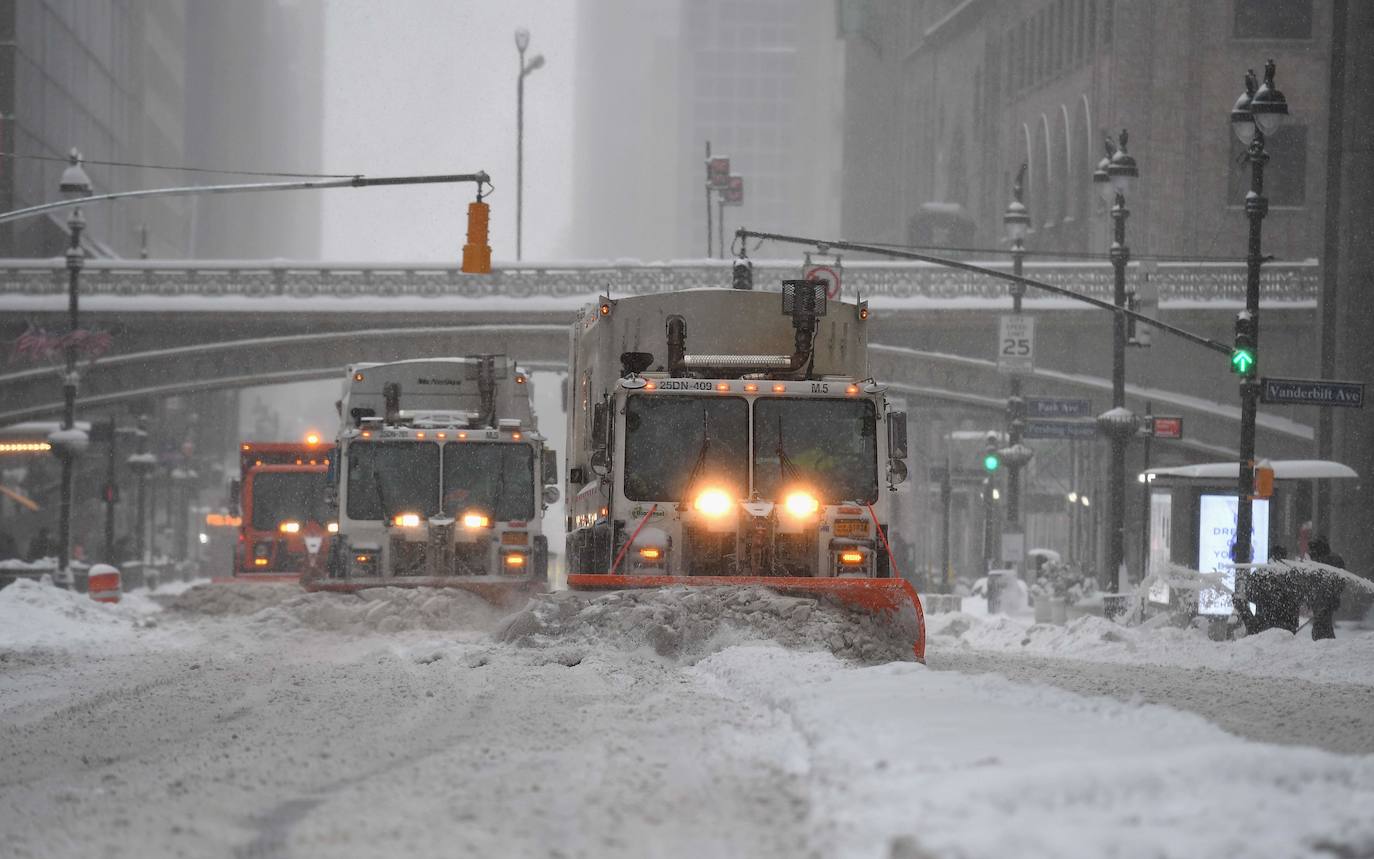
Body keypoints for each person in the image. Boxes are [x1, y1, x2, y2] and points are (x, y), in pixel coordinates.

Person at [1306, 536, 1345, 641]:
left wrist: (1332, 595)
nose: (1311, 553)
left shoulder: (1328, 561)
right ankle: (1325, 642)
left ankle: (1324, 642)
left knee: (1321, 624)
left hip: (1324, 598)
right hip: (1322, 598)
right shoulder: (1330, 559)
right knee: (1322, 623)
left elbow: (1339, 581)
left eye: (1313, 550)